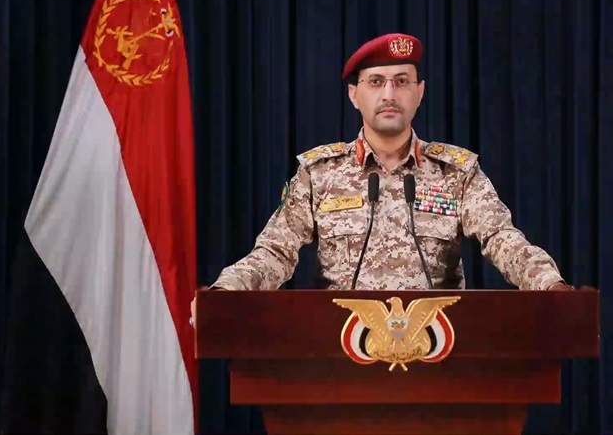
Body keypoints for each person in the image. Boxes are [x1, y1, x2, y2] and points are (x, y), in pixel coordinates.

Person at [191, 33, 572, 324]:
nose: (389, 94)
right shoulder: (319, 173)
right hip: (337, 353)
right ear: (354, 95)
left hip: (439, 353)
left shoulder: (456, 172)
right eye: (376, 82)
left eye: (401, 81)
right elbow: (276, 251)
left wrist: (550, 285)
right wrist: (226, 292)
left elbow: (502, 239)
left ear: (419, 93)